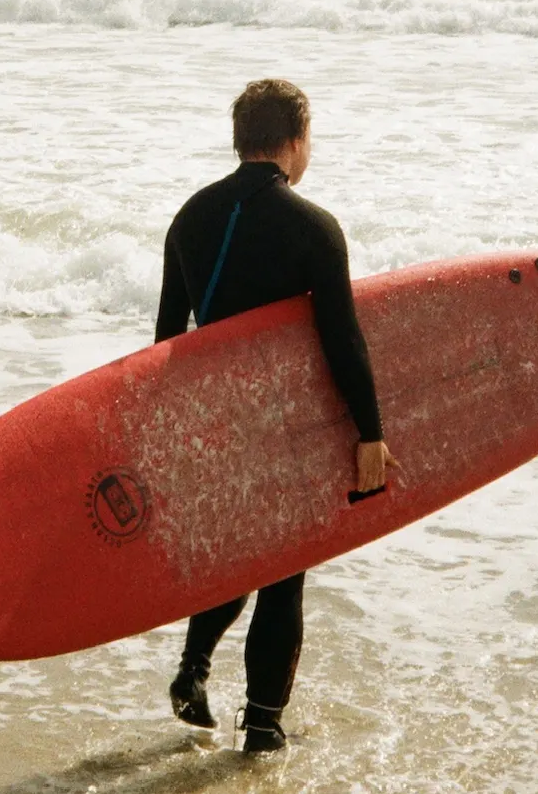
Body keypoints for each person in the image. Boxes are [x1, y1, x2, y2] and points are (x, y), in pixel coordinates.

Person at [154, 78, 393, 752]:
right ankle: (262, 725)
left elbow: (167, 336)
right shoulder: (311, 226)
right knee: (283, 567)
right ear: (294, 140)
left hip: (213, 418)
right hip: (285, 418)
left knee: (240, 553)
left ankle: (193, 668)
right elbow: (341, 337)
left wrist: (171, 430)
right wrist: (369, 431)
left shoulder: (190, 216)